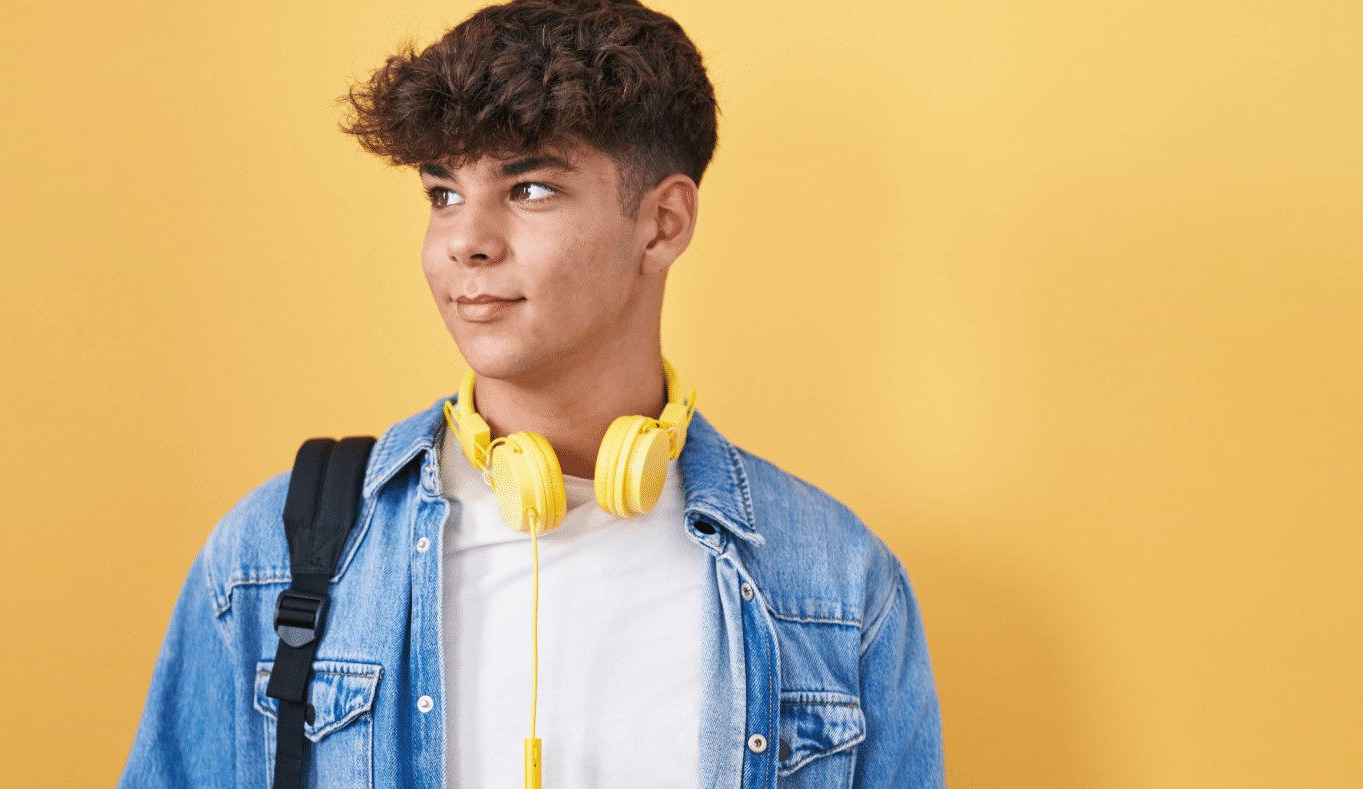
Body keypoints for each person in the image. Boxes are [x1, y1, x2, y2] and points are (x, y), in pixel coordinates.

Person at [118, 0, 945, 786]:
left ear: (662, 224)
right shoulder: (272, 557)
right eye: (443, 194)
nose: (465, 243)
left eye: (529, 190)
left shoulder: (836, 586)